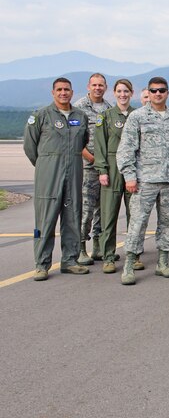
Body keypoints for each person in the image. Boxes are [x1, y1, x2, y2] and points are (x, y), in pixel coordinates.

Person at [116, 77, 169, 285]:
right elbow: (126, 150)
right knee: (138, 222)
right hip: (145, 180)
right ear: (148, 93)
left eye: (162, 90)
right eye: (154, 90)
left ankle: (163, 262)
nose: (158, 94)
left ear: (168, 93)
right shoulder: (137, 117)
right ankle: (130, 265)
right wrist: (129, 176)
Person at [24, 77, 90, 280]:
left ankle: (69, 260)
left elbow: (83, 141)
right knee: (45, 220)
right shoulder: (41, 115)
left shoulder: (80, 116)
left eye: (67, 89)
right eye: (59, 89)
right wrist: (46, 165)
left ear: (72, 92)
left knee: (72, 217)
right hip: (49, 175)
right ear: (53, 92)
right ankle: (42, 264)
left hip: (74, 173)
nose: (63, 93)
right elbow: (30, 146)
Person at [93, 79, 135, 274]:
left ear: (131, 93)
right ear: (114, 93)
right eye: (119, 91)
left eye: (126, 91)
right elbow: (99, 145)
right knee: (109, 215)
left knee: (134, 216)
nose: (123, 95)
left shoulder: (137, 115)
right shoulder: (106, 116)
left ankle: (133, 256)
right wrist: (102, 170)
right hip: (111, 167)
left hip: (133, 170)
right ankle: (108, 257)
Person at [74, 73, 112, 265]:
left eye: (101, 85)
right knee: (87, 208)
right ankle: (80, 247)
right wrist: (89, 157)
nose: (98, 88)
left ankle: (97, 246)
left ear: (105, 87)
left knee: (101, 209)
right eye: (94, 85)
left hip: (105, 167)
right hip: (88, 166)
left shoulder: (108, 108)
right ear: (88, 86)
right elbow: (74, 137)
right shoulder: (79, 108)